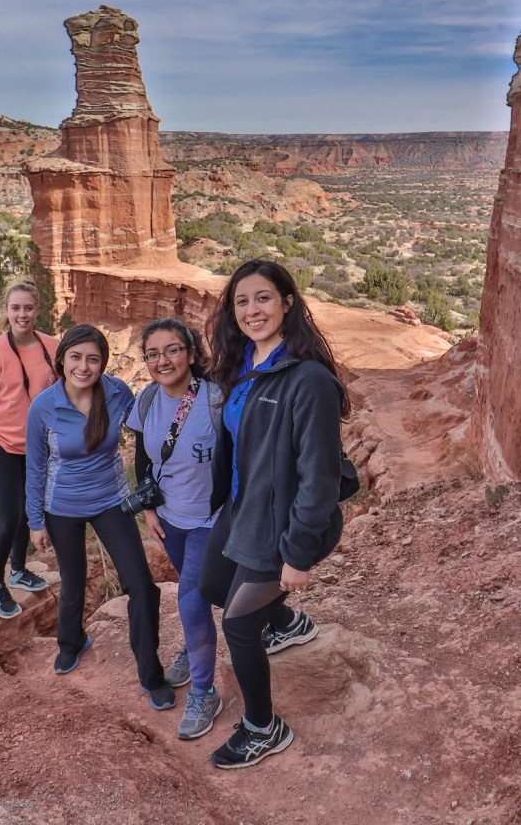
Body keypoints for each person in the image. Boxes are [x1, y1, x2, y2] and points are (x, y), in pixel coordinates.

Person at [200, 258, 350, 769]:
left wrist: (298, 554)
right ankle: (286, 623)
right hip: (245, 506)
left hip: (283, 520)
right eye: (241, 301)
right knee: (212, 586)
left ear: (288, 302)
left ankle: (264, 728)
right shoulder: (241, 364)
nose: (251, 310)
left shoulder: (307, 380)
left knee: (239, 626)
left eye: (263, 297)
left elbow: (320, 479)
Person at [25, 324, 174, 711]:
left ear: (103, 364)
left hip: (111, 500)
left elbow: (149, 421)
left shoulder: (116, 392)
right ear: (62, 361)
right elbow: (36, 467)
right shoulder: (43, 406)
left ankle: (150, 673)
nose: (84, 366)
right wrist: (34, 520)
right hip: (62, 508)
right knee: (74, 581)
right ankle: (71, 641)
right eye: (76, 357)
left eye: (93, 359)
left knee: (141, 583)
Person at [127, 317, 223, 740]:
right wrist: (149, 508)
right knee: (190, 590)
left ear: (190, 353)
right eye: (152, 353)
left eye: (171, 350)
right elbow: (143, 459)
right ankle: (194, 648)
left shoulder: (217, 399)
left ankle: (205, 692)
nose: (162, 360)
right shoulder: (147, 400)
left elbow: (240, 457)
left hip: (212, 519)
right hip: (170, 518)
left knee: (190, 599)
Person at [0, 280, 59, 618]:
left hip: (39, 448)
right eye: (16, 308)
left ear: (38, 310)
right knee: (8, 517)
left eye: (28, 308)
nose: (22, 314)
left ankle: (19, 569)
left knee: (29, 512)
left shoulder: (52, 347)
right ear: (7, 311)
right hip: (2, 446)